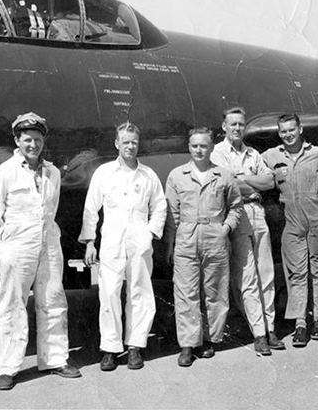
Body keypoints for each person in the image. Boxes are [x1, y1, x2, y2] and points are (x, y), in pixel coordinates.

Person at [0, 112, 81, 391]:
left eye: (37, 139)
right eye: (27, 140)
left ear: (43, 141)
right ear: (17, 140)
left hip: (48, 243)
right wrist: (4, 247)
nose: (33, 145)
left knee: (53, 300)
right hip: (17, 246)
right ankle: (9, 368)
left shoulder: (53, 172)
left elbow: (52, 208)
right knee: (12, 305)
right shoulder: (3, 173)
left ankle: (56, 359)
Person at [79, 122, 167, 372]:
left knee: (140, 291)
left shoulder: (148, 175)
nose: (130, 146)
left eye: (134, 142)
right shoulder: (104, 173)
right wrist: (89, 242)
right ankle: (110, 348)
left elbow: (160, 206)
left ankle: (135, 346)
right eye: (125, 142)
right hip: (111, 240)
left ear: (138, 144)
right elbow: (90, 208)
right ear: (116, 143)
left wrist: (149, 233)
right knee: (109, 292)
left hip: (139, 239)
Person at [164, 127, 242, 367]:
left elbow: (236, 207)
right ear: (189, 147)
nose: (199, 150)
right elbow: (172, 214)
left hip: (215, 237)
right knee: (186, 293)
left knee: (215, 291)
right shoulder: (177, 176)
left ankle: (210, 338)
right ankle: (188, 344)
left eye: (204, 146)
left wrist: (225, 229)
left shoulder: (224, 176)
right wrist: (171, 244)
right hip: (186, 237)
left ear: (211, 147)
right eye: (195, 145)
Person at [210, 106, 281, 354]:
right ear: (224, 127)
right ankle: (259, 333)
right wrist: (252, 182)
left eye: (241, 124)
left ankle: (270, 328)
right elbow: (228, 186)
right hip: (237, 214)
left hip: (258, 213)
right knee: (247, 276)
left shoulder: (252, 153)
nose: (238, 128)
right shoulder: (217, 153)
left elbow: (270, 181)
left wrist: (244, 179)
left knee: (266, 272)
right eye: (233, 124)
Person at [262, 113, 318, 347]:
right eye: (283, 131)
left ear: (300, 129)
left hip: (317, 218)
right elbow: (249, 164)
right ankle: (301, 323)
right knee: (296, 273)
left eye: (291, 130)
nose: (287, 134)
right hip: (292, 222)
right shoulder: (272, 156)